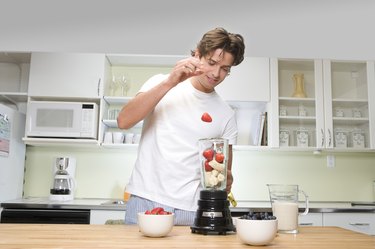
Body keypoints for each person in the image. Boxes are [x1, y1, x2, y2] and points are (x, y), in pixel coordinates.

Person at [117, 27, 245, 225]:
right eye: (212, 63)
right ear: (197, 54)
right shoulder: (160, 82)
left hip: (193, 210)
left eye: (225, 69)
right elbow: (124, 121)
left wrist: (226, 179)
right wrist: (170, 82)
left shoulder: (226, 114)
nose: (216, 74)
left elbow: (223, 170)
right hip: (147, 201)